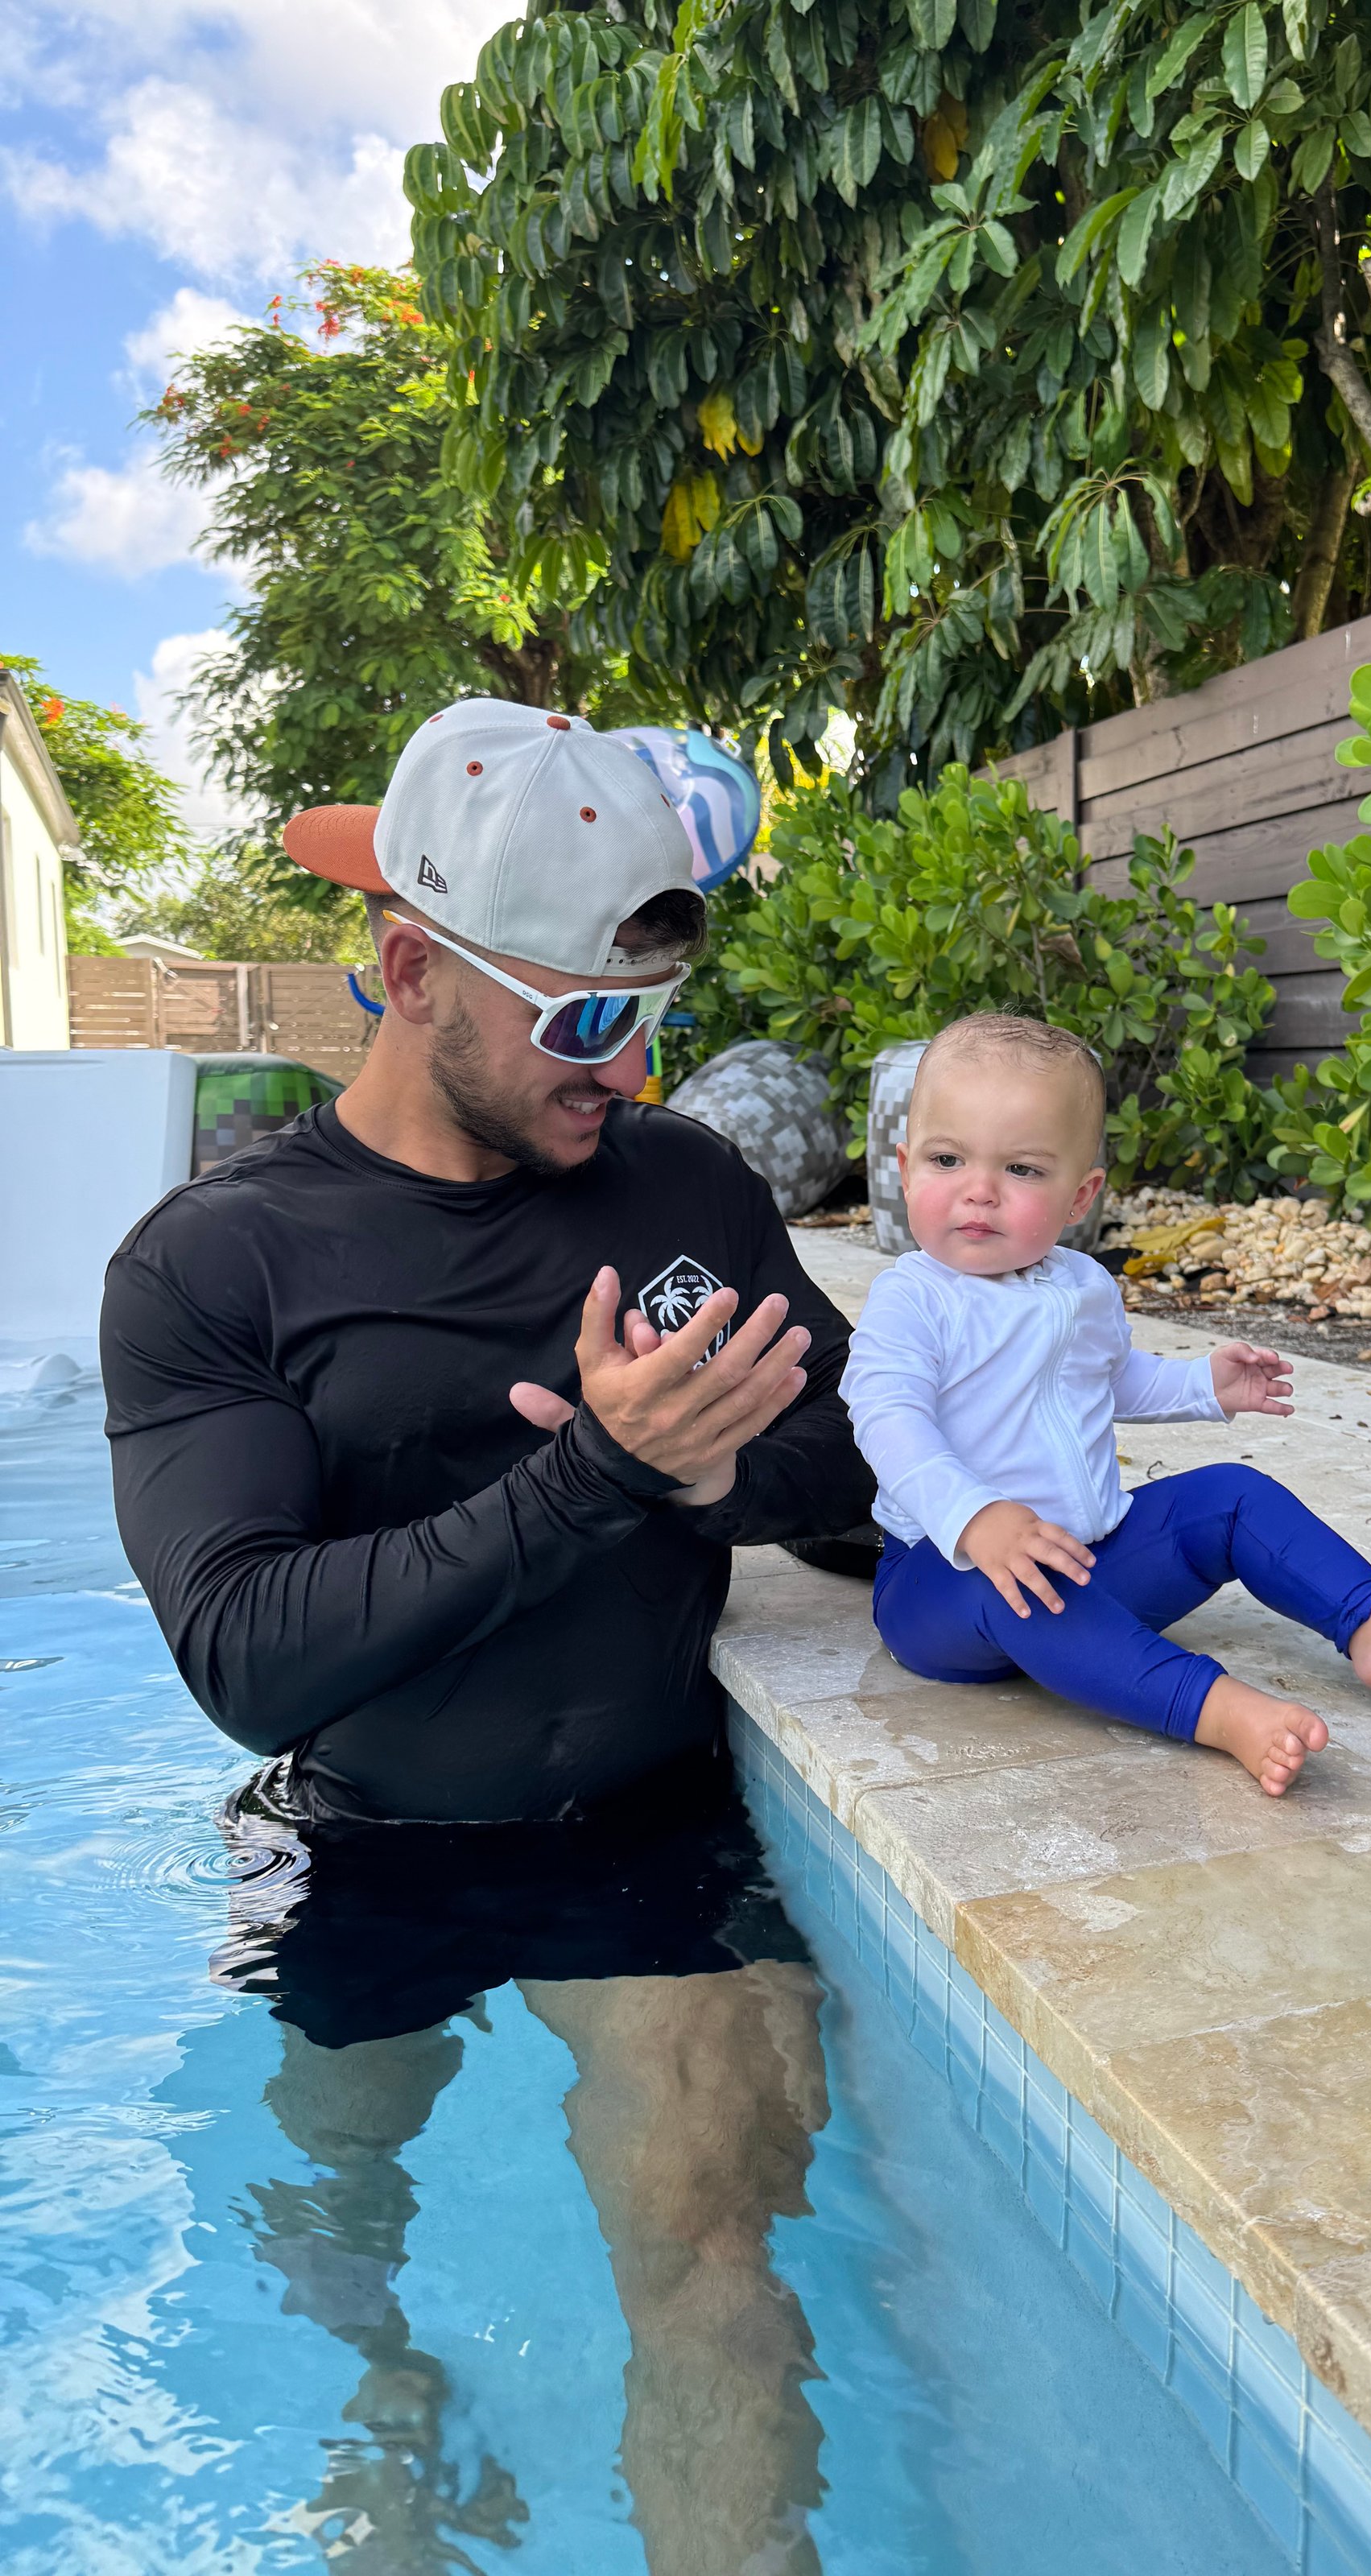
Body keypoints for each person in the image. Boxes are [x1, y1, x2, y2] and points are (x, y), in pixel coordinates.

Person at [99, 697, 873, 2571]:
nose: (626, 1070)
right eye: (584, 1019)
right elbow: (245, 1652)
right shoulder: (221, 1264)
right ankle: (388, 2422)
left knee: (707, 2242)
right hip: (356, 1833)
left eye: (653, 1020)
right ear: (405, 972)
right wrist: (593, 1472)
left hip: (637, 1834)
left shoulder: (681, 1186)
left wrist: (702, 1477)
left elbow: (847, 1473)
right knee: (328, 2196)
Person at [841, 1014, 1371, 1796]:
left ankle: (1370, 1619)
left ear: (1079, 1194)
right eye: (947, 1158)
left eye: (1021, 1168)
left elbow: (1110, 1379)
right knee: (1015, 1585)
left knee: (1232, 1493)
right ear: (903, 1166)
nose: (979, 1188)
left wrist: (1202, 1386)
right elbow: (887, 1416)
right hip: (943, 1583)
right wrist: (977, 1517)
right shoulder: (913, 1298)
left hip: (1089, 1557)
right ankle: (1217, 1708)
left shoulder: (1083, 1285)